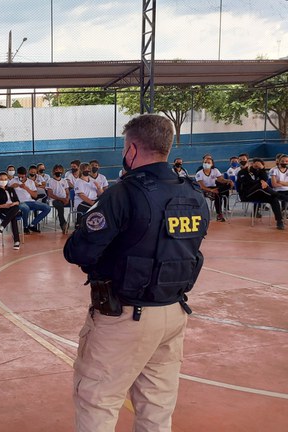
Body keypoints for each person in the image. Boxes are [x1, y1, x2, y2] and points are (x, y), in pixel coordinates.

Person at [64, 114, 210, 431]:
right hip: (172, 312)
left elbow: (78, 250)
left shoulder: (123, 193)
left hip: (125, 317)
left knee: (97, 401)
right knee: (156, 409)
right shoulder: (194, 194)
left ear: (131, 149)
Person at [237, 158, 286, 230]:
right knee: (260, 185)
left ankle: (279, 221)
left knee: (273, 199)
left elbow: (265, 179)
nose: (257, 168)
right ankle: (283, 197)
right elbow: (248, 182)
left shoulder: (259, 171)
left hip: (258, 194)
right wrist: (260, 182)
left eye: (259, 167)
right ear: (251, 164)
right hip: (246, 195)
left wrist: (262, 169)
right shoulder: (242, 172)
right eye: (255, 166)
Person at [10, 167, 51, 233]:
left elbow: (35, 195)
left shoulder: (31, 182)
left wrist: (26, 188)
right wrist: (12, 186)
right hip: (20, 202)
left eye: (23, 175)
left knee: (47, 208)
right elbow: (6, 190)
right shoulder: (13, 181)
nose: (21, 176)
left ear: (25, 174)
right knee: (25, 209)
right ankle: (25, 227)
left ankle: (32, 224)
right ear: (17, 174)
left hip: (30, 201)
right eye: (19, 174)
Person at [195, 155, 233, 222]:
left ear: (212, 164)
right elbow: (202, 186)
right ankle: (219, 214)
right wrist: (211, 190)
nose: (206, 164)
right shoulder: (199, 173)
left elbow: (221, 179)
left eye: (209, 162)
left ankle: (216, 192)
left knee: (228, 185)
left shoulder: (215, 170)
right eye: (205, 162)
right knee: (218, 194)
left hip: (214, 188)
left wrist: (228, 181)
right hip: (205, 189)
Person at [0, 172, 21, 250]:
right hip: (2, 210)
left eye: (5, 179)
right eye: (1, 179)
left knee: (16, 208)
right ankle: (17, 241)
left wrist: (14, 203)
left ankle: (2, 226)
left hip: (13, 208)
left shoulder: (11, 189)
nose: (3, 181)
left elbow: (18, 201)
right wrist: (3, 205)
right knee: (13, 217)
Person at [46, 164, 71, 234]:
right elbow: (50, 194)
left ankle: (79, 224)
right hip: (54, 200)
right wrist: (61, 199)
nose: (58, 171)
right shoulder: (50, 181)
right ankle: (63, 224)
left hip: (64, 199)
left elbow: (67, 192)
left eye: (60, 170)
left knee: (77, 204)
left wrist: (67, 199)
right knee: (60, 206)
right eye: (56, 170)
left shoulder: (64, 181)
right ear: (53, 171)